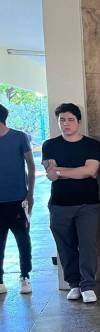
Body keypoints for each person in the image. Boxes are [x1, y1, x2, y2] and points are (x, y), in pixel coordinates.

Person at [42, 103, 100, 303]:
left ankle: (87, 286)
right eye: (62, 120)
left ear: (78, 121)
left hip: (88, 204)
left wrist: (61, 171)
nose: (66, 123)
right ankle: (74, 284)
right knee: (65, 246)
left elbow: (90, 171)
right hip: (59, 204)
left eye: (70, 119)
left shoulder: (92, 145)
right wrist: (77, 171)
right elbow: (51, 174)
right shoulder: (49, 145)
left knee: (87, 245)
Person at [0, 104, 35, 295]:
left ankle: (25, 276)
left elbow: (31, 165)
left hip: (17, 199)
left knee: (23, 239)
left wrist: (30, 194)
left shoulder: (19, 137)